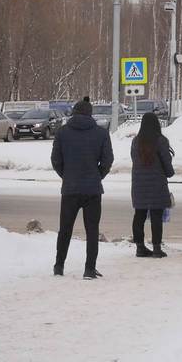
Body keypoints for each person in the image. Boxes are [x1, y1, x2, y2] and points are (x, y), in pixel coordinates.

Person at [50, 97, 114, 280]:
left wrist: (67, 175)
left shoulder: (62, 133)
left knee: (65, 229)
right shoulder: (101, 134)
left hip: (70, 188)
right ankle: (89, 269)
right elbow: (108, 160)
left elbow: (56, 160)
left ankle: (59, 266)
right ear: (90, 114)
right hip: (92, 190)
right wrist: (97, 175)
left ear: (74, 113)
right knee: (92, 230)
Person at [130, 113, 175, 258]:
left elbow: (134, 160)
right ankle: (156, 248)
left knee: (139, 214)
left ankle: (140, 247)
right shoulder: (161, 141)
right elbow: (166, 162)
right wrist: (169, 173)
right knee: (156, 215)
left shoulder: (136, 141)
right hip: (157, 183)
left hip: (139, 184)